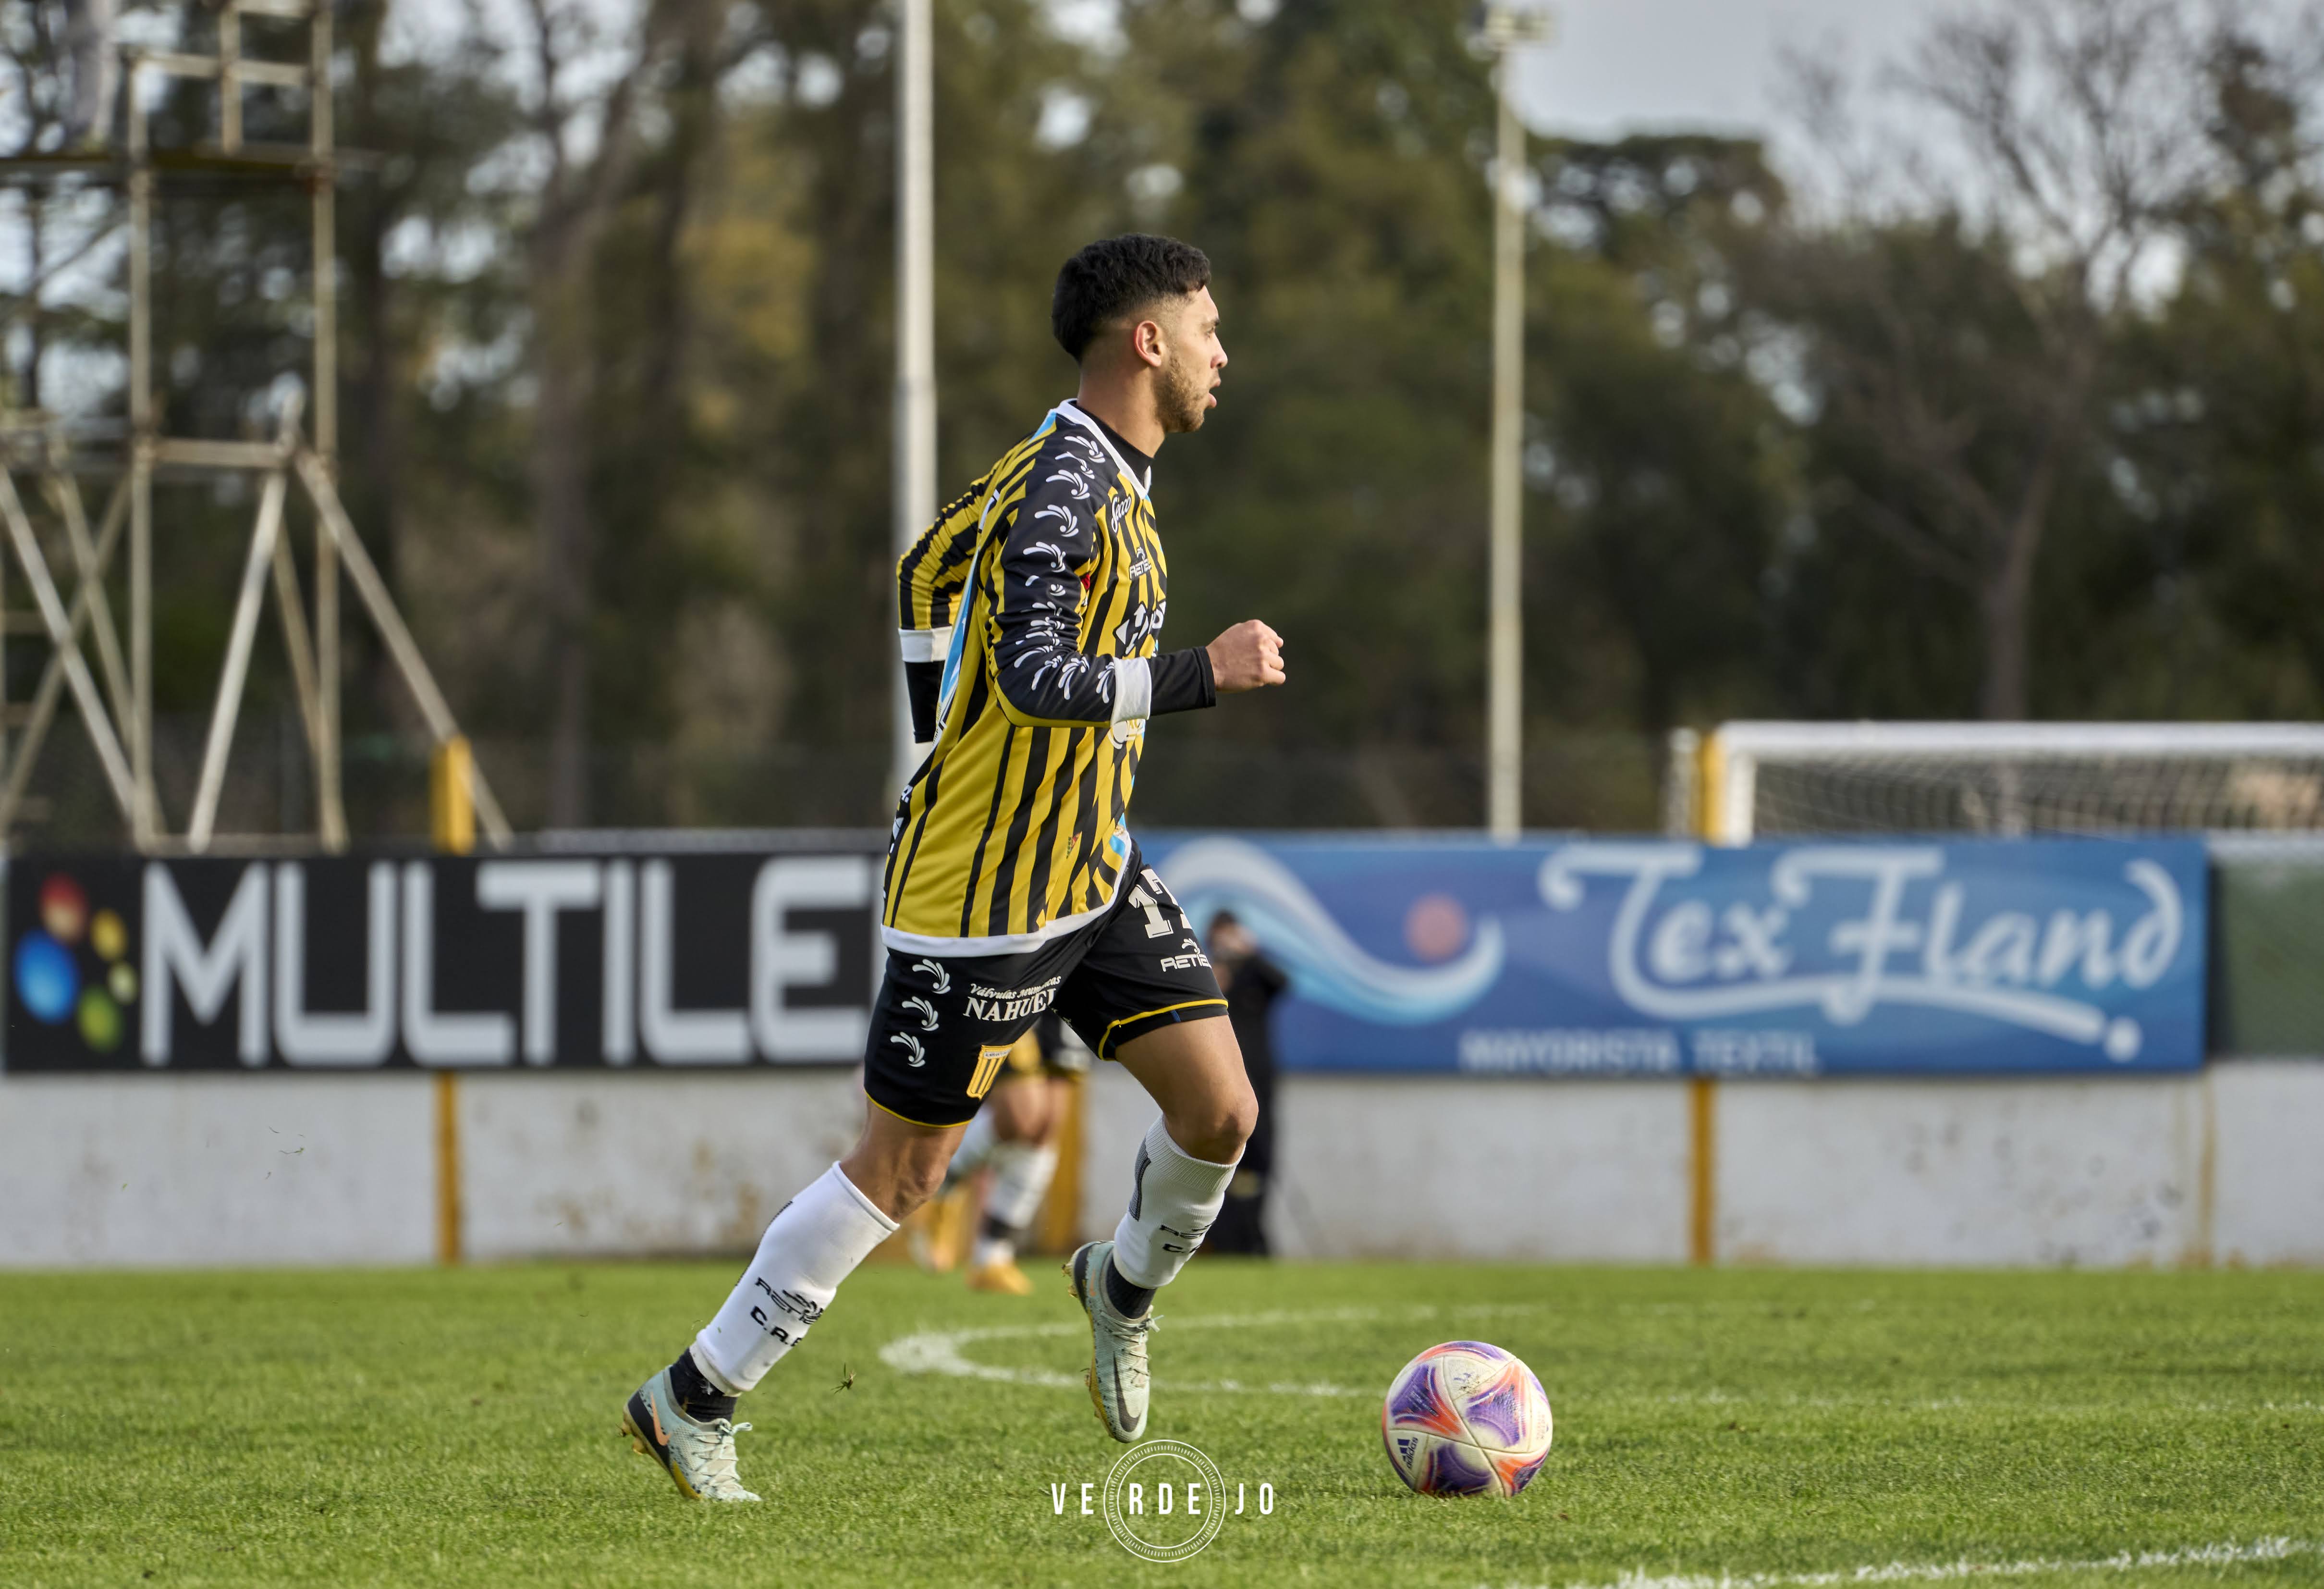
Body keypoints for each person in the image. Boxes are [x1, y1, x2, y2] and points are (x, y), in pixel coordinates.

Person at [621, 234, 1286, 1502]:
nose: (1220, 353)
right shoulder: (1065, 484)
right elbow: (1034, 676)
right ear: (1145, 342)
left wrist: (934, 714)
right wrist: (1200, 672)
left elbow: (926, 561)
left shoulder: (1096, 473)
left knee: (1220, 1111)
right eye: (1205, 327)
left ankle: (1117, 1285)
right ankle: (689, 1397)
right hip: (984, 890)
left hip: (1089, 858)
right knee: (902, 1169)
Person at [908, 1012, 1087, 1293]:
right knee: (1020, 1116)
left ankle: (993, 1258)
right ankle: (936, 1185)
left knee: (1047, 1125)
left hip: (1069, 989)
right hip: (1020, 984)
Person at [1201, 912, 1286, 1256]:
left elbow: (1282, 983)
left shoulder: (1254, 974)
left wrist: (1249, 953)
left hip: (1261, 1083)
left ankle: (1253, 1239)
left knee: (1260, 1162)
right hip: (1221, 1083)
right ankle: (1222, 1241)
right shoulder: (1206, 974)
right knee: (1222, 1161)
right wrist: (1214, 979)